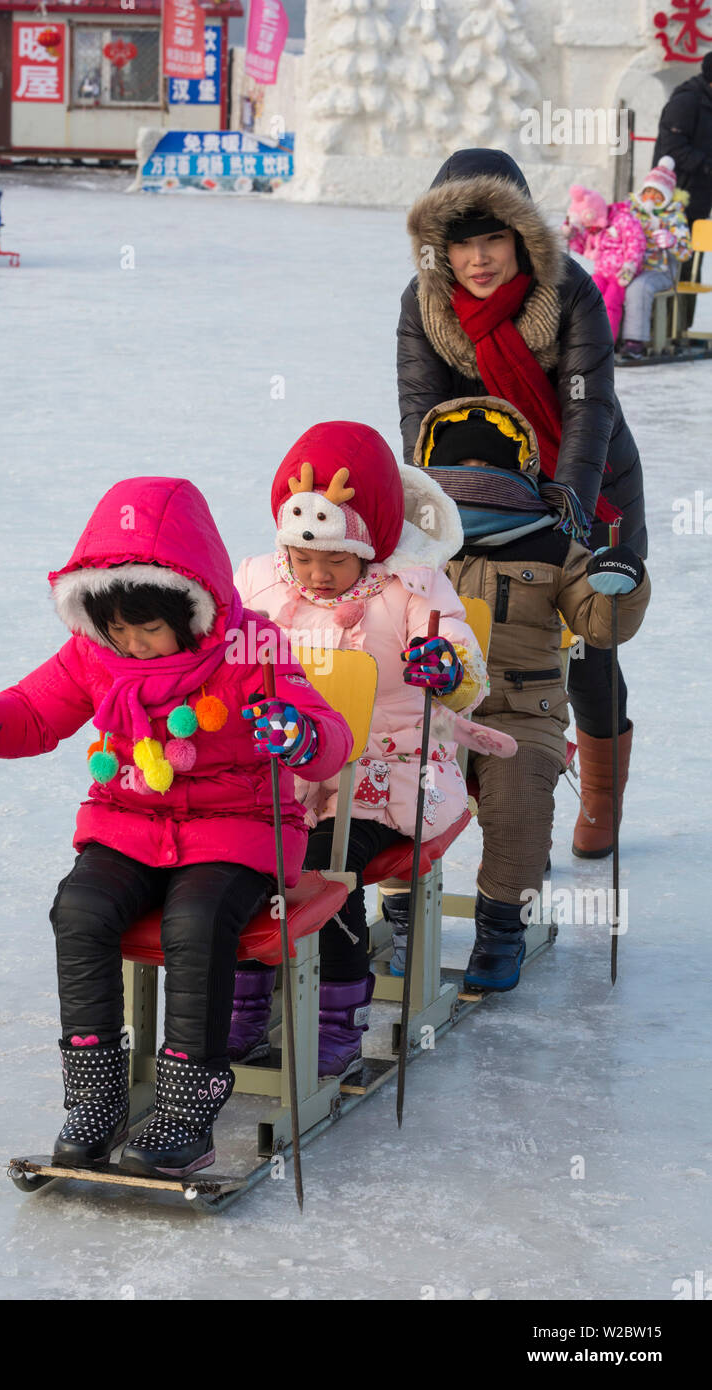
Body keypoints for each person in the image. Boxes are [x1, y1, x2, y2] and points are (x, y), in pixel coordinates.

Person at [0, 476, 351, 1179]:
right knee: (80, 908)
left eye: (146, 627)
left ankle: (189, 1110)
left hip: (238, 827)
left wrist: (300, 734)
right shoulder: (94, 654)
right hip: (129, 823)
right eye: (117, 628)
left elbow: (329, 730)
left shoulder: (250, 648)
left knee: (194, 920)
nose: (130, 643)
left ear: (192, 611)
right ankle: (96, 1099)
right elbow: (36, 711)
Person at [397, 146, 647, 859]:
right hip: (475, 493)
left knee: (589, 637)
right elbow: (423, 418)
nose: (479, 259)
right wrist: (431, 511)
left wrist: (568, 499)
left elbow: (588, 408)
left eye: (494, 239)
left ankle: (600, 794)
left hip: (594, 488)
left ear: (521, 236)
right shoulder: (424, 307)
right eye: (462, 243)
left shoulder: (570, 293)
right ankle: (482, 780)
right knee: (466, 631)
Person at [232, 421, 501, 1075]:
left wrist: (447, 666)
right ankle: (241, 1004)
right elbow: (228, 655)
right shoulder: (263, 587)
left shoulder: (411, 590)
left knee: (326, 861)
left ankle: (338, 1015)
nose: (317, 575)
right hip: (289, 763)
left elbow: (465, 665)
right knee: (239, 851)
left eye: (335, 559)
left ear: (369, 544)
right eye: (303, 557)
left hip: (397, 765)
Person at [416, 399, 650, 986]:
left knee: (519, 806)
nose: (472, 481)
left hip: (520, 711)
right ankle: (402, 917)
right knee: (387, 788)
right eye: (457, 468)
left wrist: (622, 584)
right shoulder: (415, 548)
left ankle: (501, 928)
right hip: (428, 711)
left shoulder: (551, 547)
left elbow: (599, 627)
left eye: (484, 467)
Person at [653, 51, 712, 326]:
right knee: (665, 261)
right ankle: (658, 327)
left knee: (692, 260)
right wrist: (707, 164)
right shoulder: (687, 102)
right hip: (673, 198)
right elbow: (672, 148)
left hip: (698, 197)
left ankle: (682, 326)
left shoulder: (707, 102)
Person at [620, 157, 692, 359]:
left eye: (658, 193)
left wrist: (672, 242)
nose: (651, 197)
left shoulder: (674, 216)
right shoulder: (631, 210)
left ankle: (635, 342)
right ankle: (603, 337)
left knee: (638, 288)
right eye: (648, 191)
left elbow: (686, 252)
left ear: (667, 197)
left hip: (660, 271)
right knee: (604, 283)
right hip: (629, 266)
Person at [562, 184, 646, 342]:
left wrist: (630, 265)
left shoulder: (623, 220)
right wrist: (572, 235)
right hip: (601, 273)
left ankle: (605, 342)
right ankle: (582, 338)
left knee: (610, 303)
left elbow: (636, 242)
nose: (591, 230)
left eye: (592, 227)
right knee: (587, 297)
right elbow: (583, 246)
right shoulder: (594, 228)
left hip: (620, 274)